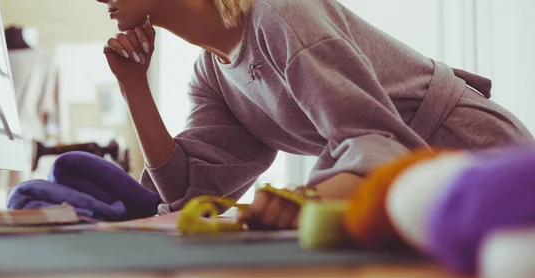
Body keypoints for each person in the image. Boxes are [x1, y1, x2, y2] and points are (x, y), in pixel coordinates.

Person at [95, 0, 533, 230]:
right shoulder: (212, 72)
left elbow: (373, 140)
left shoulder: (281, 12)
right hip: (406, 186)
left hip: (472, 154)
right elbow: (191, 191)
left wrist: (307, 199)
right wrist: (134, 87)